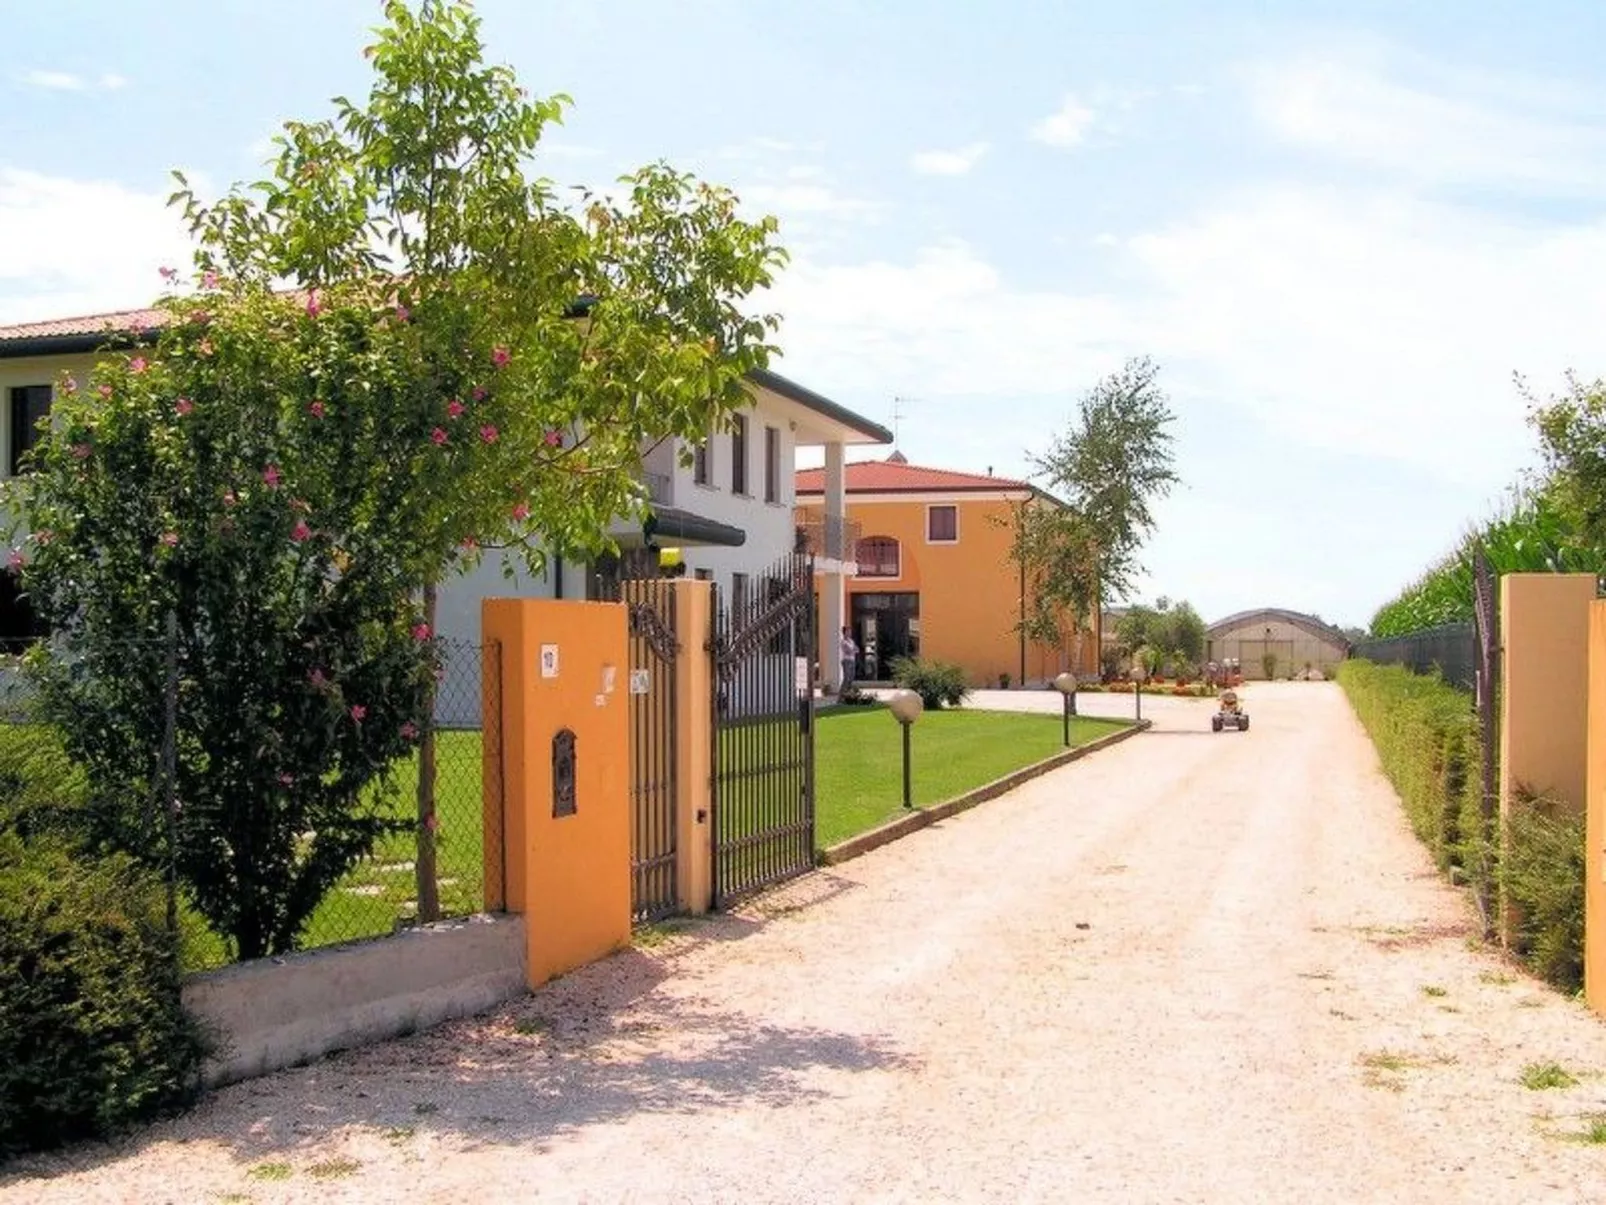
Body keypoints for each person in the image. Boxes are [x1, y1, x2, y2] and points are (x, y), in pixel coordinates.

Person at [839, 627, 859, 694]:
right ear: (844, 632)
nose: (849, 633)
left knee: (851, 678)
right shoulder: (843, 641)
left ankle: (848, 694)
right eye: (848, 631)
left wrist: (853, 650)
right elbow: (848, 651)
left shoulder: (851, 641)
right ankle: (841, 696)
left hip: (852, 660)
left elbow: (857, 649)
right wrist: (853, 650)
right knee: (846, 678)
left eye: (850, 631)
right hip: (846, 661)